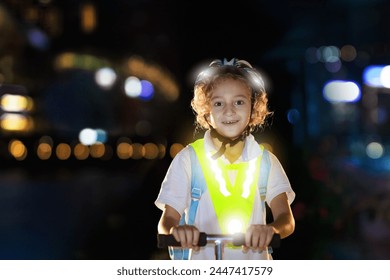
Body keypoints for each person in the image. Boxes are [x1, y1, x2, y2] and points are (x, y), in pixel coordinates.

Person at [155, 58, 295, 260]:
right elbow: (167, 221)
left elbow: (286, 220)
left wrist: (271, 230)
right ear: (206, 111)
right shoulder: (188, 160)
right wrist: (177, 231)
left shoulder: (265, 161)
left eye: (239, 102)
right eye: (218, 103)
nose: (229, 111)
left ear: (253, 107)